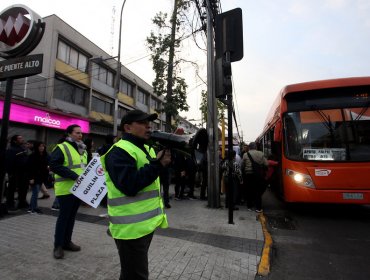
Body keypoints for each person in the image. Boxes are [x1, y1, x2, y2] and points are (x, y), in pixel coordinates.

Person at [101, 109, 171, 280]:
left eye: (149, 123)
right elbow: (129, 186)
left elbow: (150, 178)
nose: (148, 127)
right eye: (142, 123)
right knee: (137, 275)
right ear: (128, 128)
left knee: (130, 273)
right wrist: (157, 165)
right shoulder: (119, 151)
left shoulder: (146, 148)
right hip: (129, 229)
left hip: (144, 226)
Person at [50, 125, 87, 259]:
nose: (80, 135)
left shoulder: (82, 149)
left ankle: (67, 242)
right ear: (69, 134)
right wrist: (74, 176)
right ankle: (58, 246)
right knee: (63, 218)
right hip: (65, 189)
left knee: (71, 218)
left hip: (78, 189)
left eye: (81, 133)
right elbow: (54, 165)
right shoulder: (62, 147)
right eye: (77, 133)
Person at [242, 142, 268, 213]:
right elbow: (266, 164)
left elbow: (242, 165)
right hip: (258, 175)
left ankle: (249, 206)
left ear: (249, 147)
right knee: (258, 191)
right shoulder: (261, 153)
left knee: (249, 190)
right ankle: (258, 208)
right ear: (256, 147)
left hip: (248, 175)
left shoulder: (245, 154)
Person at [5, 134, 29, 210]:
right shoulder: (11, 149)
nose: (22, 139)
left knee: (23, 188)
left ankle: (22, 202)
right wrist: (10, 173)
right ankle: (10, 204)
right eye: (19, 138)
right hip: (15, 172)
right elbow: (9, 162)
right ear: (15, 141)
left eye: (22, 137)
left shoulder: (23, 148)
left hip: (24, 172)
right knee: (11, 189)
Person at [26, 141, 50, 214]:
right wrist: (31, 178)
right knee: (35, 193)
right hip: (34, 177)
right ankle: (33, 209)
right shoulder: (32, 156)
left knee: (36, 193)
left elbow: (47, 164)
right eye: (40, 146)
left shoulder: (45, 155)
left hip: (41, 177)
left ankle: (33, 207)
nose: (42, 148)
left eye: (43, 146)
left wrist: (48, 167)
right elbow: (29, 168)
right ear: (36, 147)